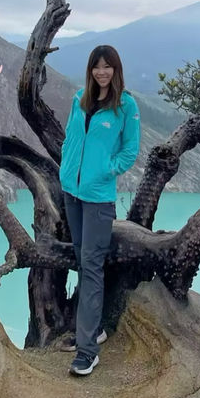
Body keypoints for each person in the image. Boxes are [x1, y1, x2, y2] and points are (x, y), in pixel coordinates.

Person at [58, 44, 141, 376]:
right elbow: (70, 138)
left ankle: (87, 350)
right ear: (90, 70)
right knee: (83, 261)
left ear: (116, 70)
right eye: (97, 66)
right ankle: (96, 329)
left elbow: (131, 149)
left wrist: (108, 168)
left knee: (91, 266)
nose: (102, 72)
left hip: (98, 199)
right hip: (72, 194)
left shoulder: (126, 106)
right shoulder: (81, 98)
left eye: (108, 67)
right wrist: (67, 167)